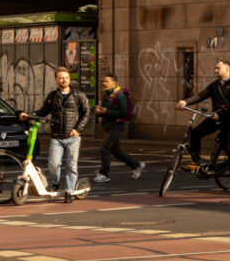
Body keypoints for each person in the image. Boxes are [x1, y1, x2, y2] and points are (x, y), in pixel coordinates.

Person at [19, 66, 90, 202]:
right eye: (61, 78)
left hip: (73, 137)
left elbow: (86, 113)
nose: (64, 80)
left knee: (71, 165)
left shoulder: (78, 95)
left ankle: (69, 191)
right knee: (53, 163)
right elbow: (43, 111)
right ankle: (56, 182)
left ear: (69, 79)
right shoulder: (53, 96)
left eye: (66, 77)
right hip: (56, 137)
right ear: (56, 80)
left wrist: (78, 129)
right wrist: (29, 116)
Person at [177, 59, 230, 193]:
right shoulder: (214, 85)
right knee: (195, 133)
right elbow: (201, 95)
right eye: (215, 68)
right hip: (216, 118)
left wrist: (221, 113)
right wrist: (186, 101)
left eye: (217, 68)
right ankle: (195, 162)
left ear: (226, 69)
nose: (215, 71)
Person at [92, 74, 144, 183]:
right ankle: (136, 165)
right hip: (109, 126)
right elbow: (106, 110)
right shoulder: (106, 95)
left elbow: (123, 112)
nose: (104, 83)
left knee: (105, 149)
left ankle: (104, 174)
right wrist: (100, 111)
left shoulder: (120, 95)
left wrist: (106, 111)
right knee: (116, 151)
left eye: (106, 81)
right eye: (103, 81)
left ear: (114, 83)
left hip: (116, 126)